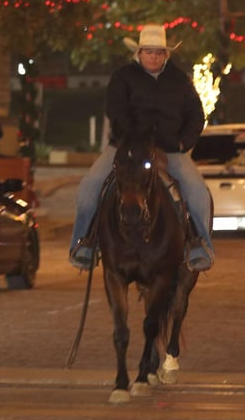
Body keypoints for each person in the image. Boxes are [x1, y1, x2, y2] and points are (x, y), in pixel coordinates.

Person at [69, 24, 214, 273]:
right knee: (90, 187)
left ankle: (199, 245)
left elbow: (195, 115)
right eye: (149, 51)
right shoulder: (122, 77)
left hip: (169, 150)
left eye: (159, 52)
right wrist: (134, 138)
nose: (154, 56)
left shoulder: (179, 80)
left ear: (166, 55)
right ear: (139, 52)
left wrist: (182, 143)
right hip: (126, 147)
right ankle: (85, 243)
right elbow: (115, 110)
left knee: (198, 191)